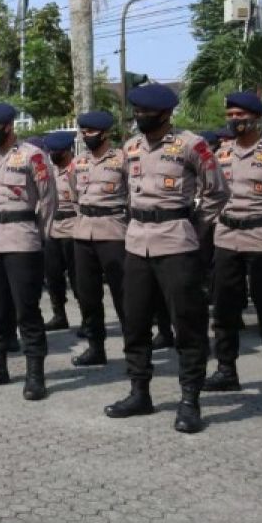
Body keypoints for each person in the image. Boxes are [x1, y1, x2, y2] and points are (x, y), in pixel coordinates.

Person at [104, 84, 227, 434]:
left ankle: (190, 401)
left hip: (176, 242)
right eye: (136, 111)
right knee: (135, 322)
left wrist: (193, 228)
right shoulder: (129, 148)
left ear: (164, 114)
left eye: (145, 112)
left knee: (187, 324)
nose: (139, 116)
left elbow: (216, 192)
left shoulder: (191, 145)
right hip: (136, 243)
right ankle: (139, 392)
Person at [201, 92, 262, 407]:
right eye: (230, 114)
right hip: (227, 237)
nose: (234, 120)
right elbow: (212, 192)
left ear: (255, 118)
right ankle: (226, 369)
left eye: (240, 115)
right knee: (225, 309)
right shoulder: (221, 153)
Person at [0, 103, 57, 400]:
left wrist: (39, 237)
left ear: (8, 126)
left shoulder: (33, 156)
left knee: (27, 310)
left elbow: (47, 201)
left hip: (22, 239)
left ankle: (35, 375)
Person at [69, 111, 127, 367]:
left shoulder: (122, 160)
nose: (86, 137)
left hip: (114, 231)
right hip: (83, 233)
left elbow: (134, 194)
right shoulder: (78, 162)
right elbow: (73, 196)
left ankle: (134, 349)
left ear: (105, 133)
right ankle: (95, 347)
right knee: (87, 294)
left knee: (123, 295)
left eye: (91, 132)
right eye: (84, 132)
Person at [43, 131, 79, 332]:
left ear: (68, 151)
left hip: (73, 230)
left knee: (78, 279)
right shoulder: (49, 172)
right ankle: (59, 315)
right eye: (52, 151)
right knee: (53, 277)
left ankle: (87, 319)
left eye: (58, 151)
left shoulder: (76, 170)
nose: (54, 154)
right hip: (53, 230)